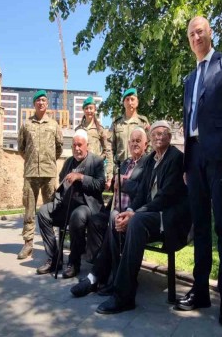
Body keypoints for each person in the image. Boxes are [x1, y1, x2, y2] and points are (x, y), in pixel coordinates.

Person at [176, 16, 222, 327]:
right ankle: (201, 290)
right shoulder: (189, 79)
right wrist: (186, 164)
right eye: (191, 34)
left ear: (210, 33)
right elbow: (188, 121)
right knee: (200, 227)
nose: (195, 37)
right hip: (195, 159)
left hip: (220, 156)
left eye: (200, 31)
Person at [83, 121, 191, 314]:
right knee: (118, 220)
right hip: (150, 214)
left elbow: (165, 197)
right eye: (155, 133)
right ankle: (117, 283)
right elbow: (141, 193)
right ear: (151, 138)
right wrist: (130, 210)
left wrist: (134, 214)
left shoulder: (176, 158)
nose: (159, 136)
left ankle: (124, 296)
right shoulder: (151, 160)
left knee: (136, 221)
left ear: (169, 136)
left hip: (169, 219)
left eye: (163, 133)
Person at [70, 127, 150, 297]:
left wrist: (123, 183)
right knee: (96, 220)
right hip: (115, 208)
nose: (134, 143)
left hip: (133, 213)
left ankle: (102, 278)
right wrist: (115, 180)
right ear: (128, 144)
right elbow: (116, 185)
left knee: (113, 221)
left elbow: (144, 191)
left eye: (138, 141)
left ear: (145, 144)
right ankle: (102, 272)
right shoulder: (126, 162)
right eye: (132, 141)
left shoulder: (147, 163)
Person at [36, 129, 106, 278]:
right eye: (74, 145)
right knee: (43, 212)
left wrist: (81, 177)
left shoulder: (96, 161)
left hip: (87, 208)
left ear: (87, 145)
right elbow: (62, 184)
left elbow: (100, 185)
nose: (77, 148)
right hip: (66, 206)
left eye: (80, 145)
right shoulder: (68, 162)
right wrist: (57, 200)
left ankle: (74, 263)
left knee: (77, 215)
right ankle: (55, 258)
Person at [17, 90, 63, 260]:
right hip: (30, 174)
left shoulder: (54, 125)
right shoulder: (26, 125)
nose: (41, 103)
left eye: (44, 100)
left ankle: (50, 244)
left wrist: (48, 161)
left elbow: (58, 148)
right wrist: (31, 161)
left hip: (49, 174)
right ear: (34, 104)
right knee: (29, 209)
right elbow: (21, 148)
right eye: (38, 100)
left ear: (47, 104)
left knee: (50, 210)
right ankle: (28, 243)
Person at [111, 89, 150, 182]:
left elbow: (149, 146)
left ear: (137, 102)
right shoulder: (116, 123)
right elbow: (110, 148)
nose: (130, 102)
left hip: (139, 169)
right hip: (120, 169)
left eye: (132, 99)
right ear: (123, 103)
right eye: (127, 99)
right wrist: (111, 172)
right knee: (119, 196)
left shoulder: (143, 122)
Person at [76, 96, 113, 189]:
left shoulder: (100, 129)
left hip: (95, 170)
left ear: (95, 109)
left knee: (95, 198)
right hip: (80, 168)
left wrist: (109, 176)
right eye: (86, 108)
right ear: (83, 110)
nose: (89, 111)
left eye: (91, 108)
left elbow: (107, 151)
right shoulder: (78, 129)